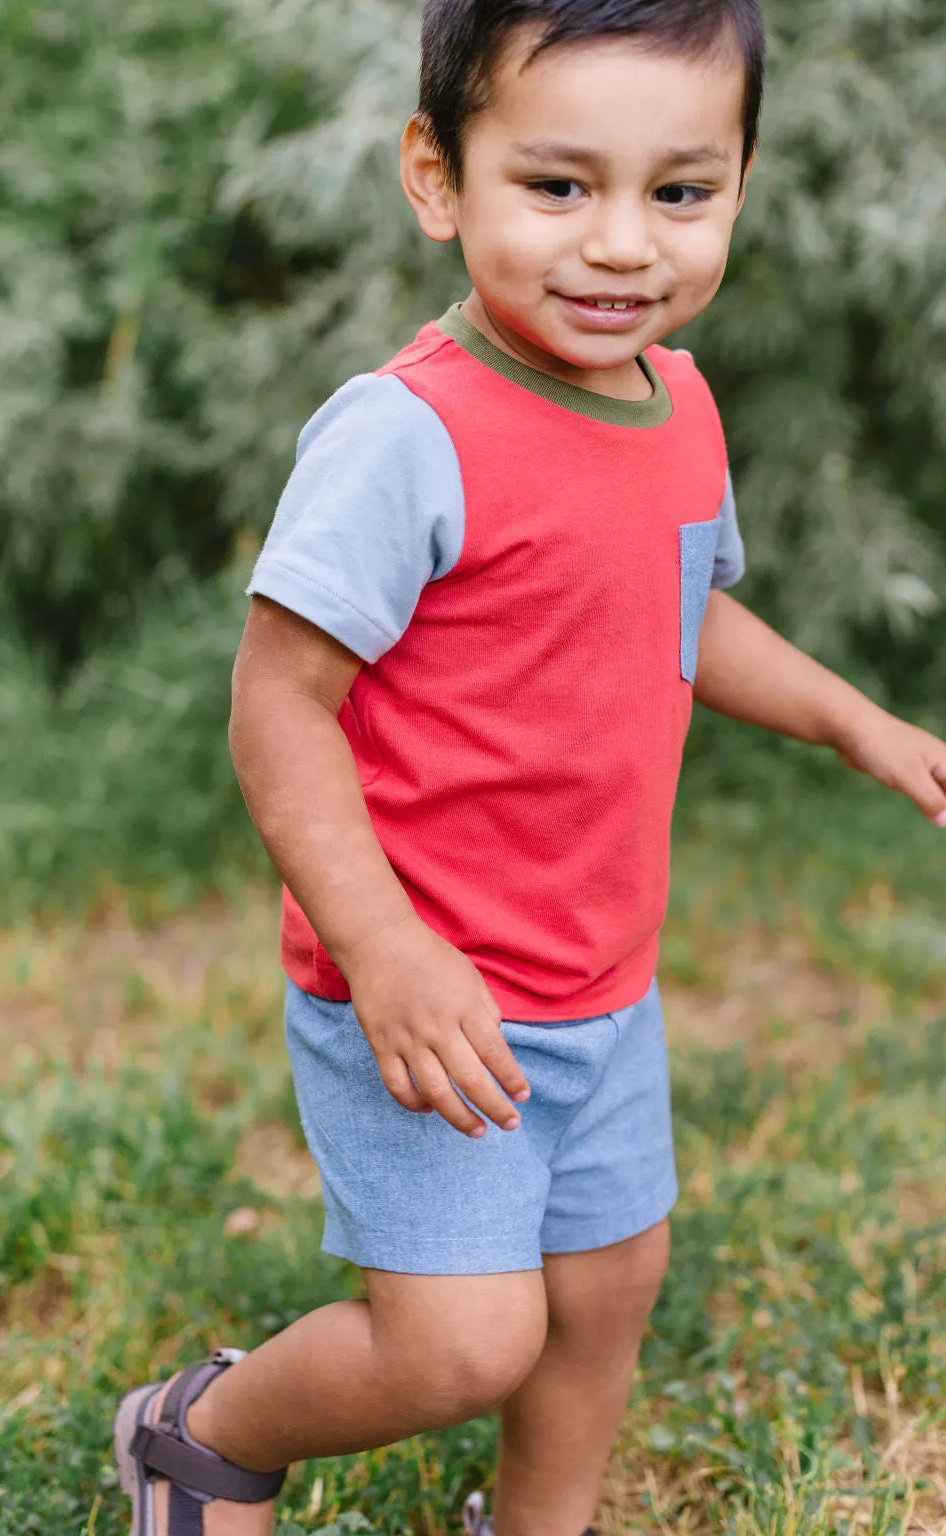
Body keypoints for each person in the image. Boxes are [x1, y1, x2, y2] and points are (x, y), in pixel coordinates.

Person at [113, 1, 946, 1533]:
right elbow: (279, 705)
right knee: (462, 1343)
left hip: (601, 983)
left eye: (680, 192)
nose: (624, 244)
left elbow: (682, 603)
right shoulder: (405, 437)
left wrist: (856, 718)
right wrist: (384, 949)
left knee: (610, 1287)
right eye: (560, 187)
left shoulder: (677, 401)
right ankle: (201, 1433)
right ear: (438, 179)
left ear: (742, 184)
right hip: (432, 997)